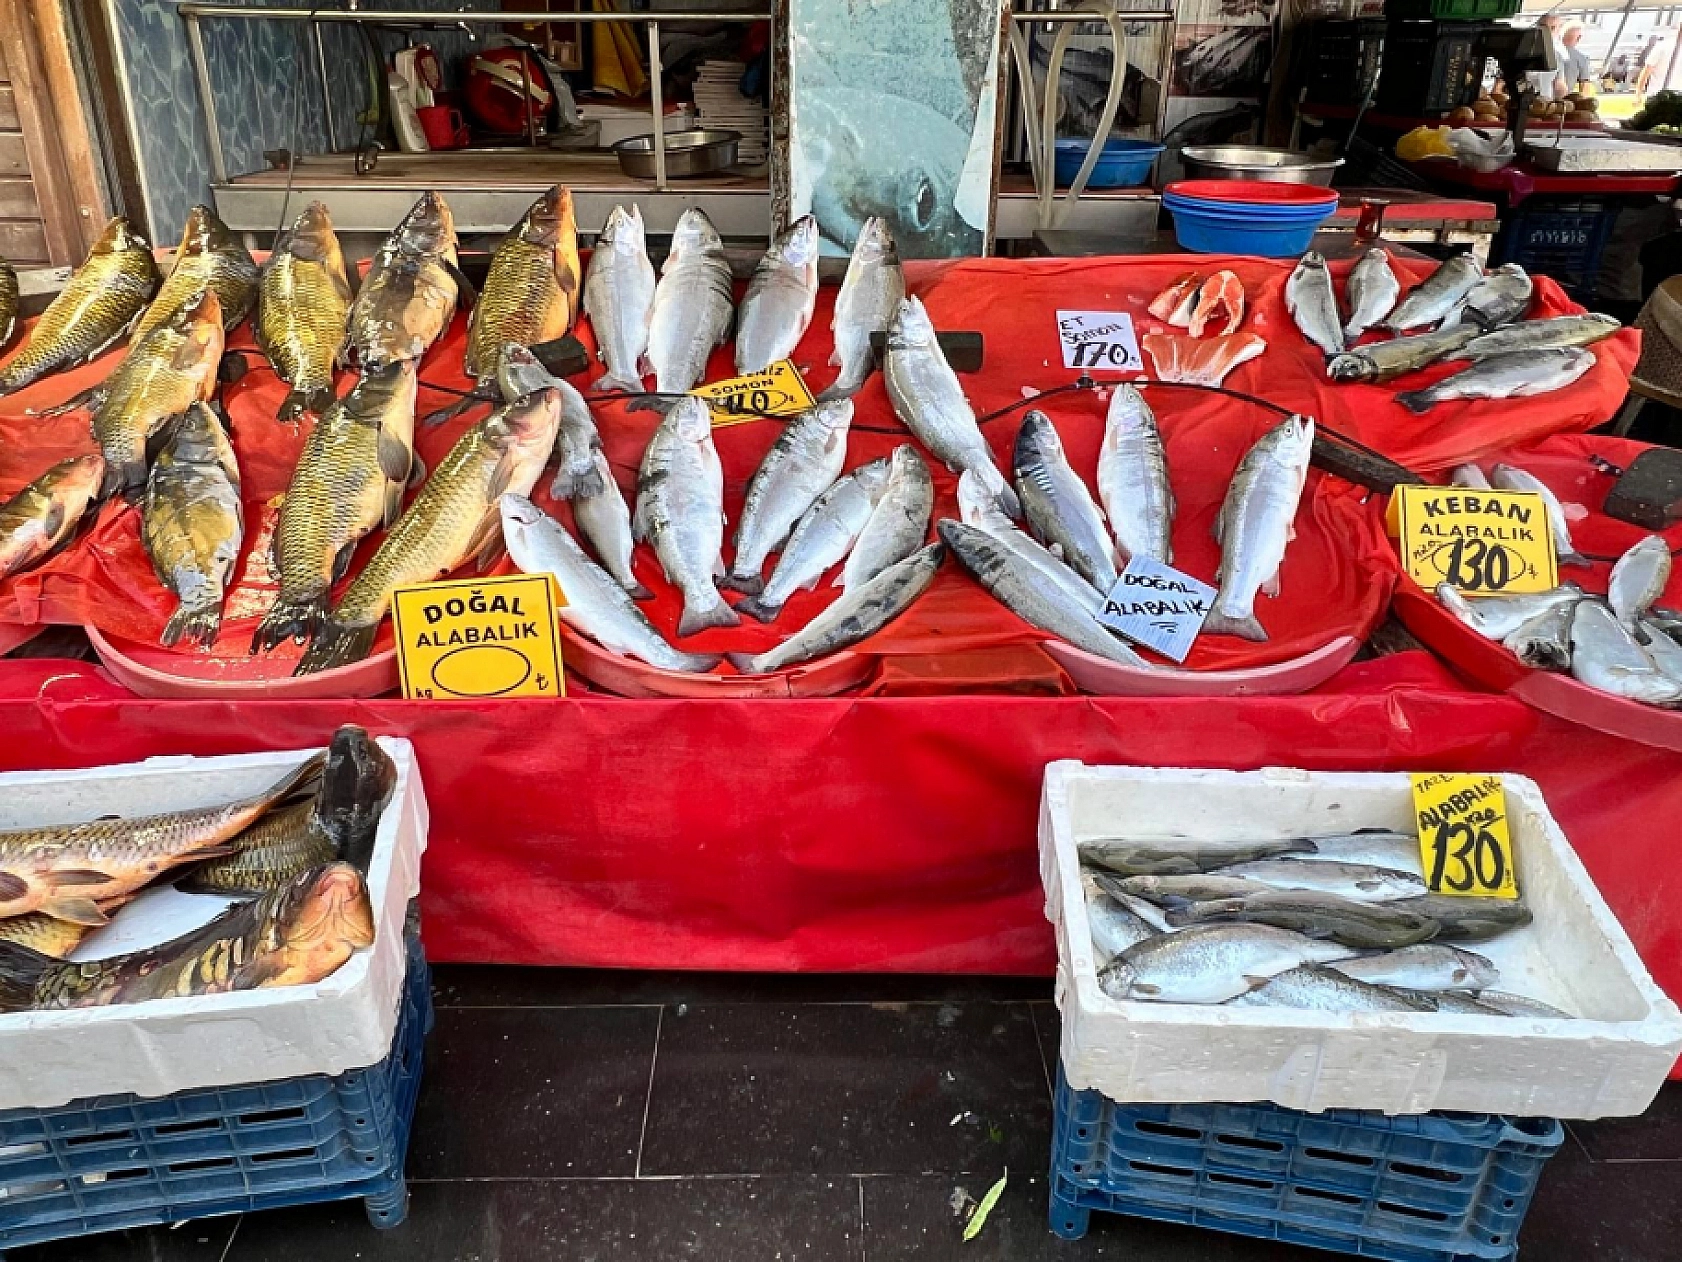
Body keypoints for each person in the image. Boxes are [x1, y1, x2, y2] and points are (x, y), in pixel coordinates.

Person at [1558, 20, 1593, 95]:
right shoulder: (1581, 58)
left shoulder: (1547, 53)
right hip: (1565, 102)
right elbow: (1585, 89)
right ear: (1579, 37)